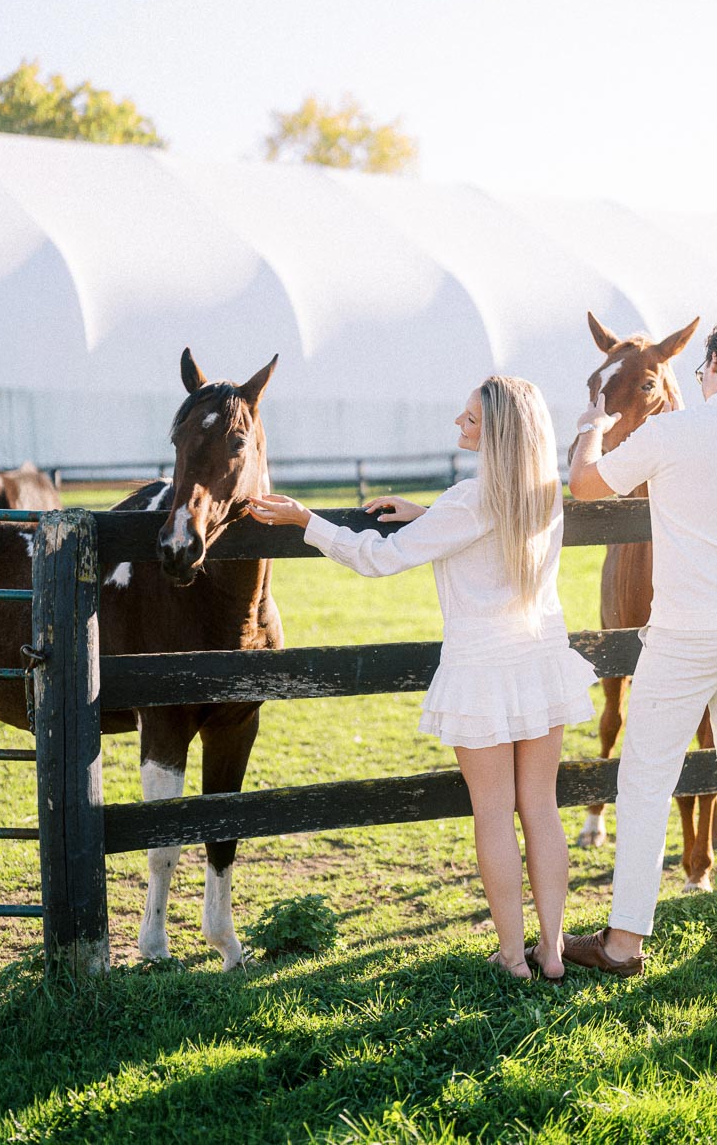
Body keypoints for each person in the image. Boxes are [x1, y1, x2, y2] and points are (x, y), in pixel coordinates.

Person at [247, 376, 596, 981]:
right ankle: (554, 951)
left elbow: (379, 557)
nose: (458, 425)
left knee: (493, 811)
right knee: (540, 807)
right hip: (540, 662)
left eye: (468, 419)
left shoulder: (469, 501)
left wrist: (307, 519)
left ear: (498, 431)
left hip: (484, 670)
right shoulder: (542, 495)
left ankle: (512, 959)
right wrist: (427, 513)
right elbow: (484, 523)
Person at [564, 318, 717, 976]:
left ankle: (623, 943)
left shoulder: (672, 433)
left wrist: (591, 423)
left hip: (689, 631)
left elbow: (585, 485)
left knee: (644, 778)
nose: (697, 377)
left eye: (702, 367)